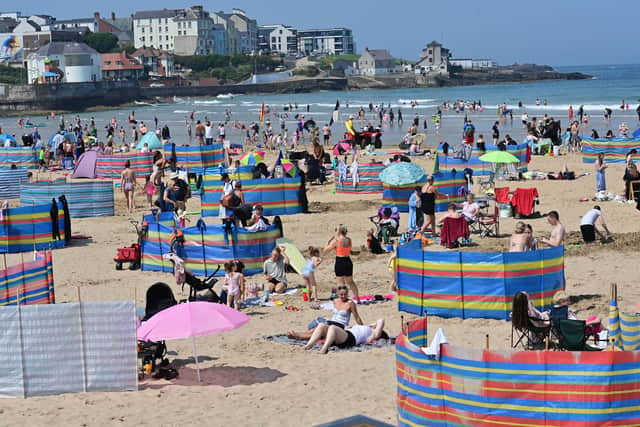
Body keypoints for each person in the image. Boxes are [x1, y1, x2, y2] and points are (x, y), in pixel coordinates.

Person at [304, 319, 387, 354]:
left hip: (351, 339)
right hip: (346, 333)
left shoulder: (375, 334)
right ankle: (309, 344)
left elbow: (381, 320)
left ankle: (324, 349)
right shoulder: (369, 329)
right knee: (322, 325)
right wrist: (371, 325)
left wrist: (374, 325)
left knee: (332, 327)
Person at [324, 225, 360, 303]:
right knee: (350, 282)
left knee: (340, 283)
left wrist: (328, 241)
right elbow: (348, 250)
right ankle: (358, 299)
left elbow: (325, 251)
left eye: (336, 230)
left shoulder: (336, 241)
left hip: (340, 261)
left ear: (339, 231)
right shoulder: (349, 240)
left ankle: (343, 299)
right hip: (348, 260)